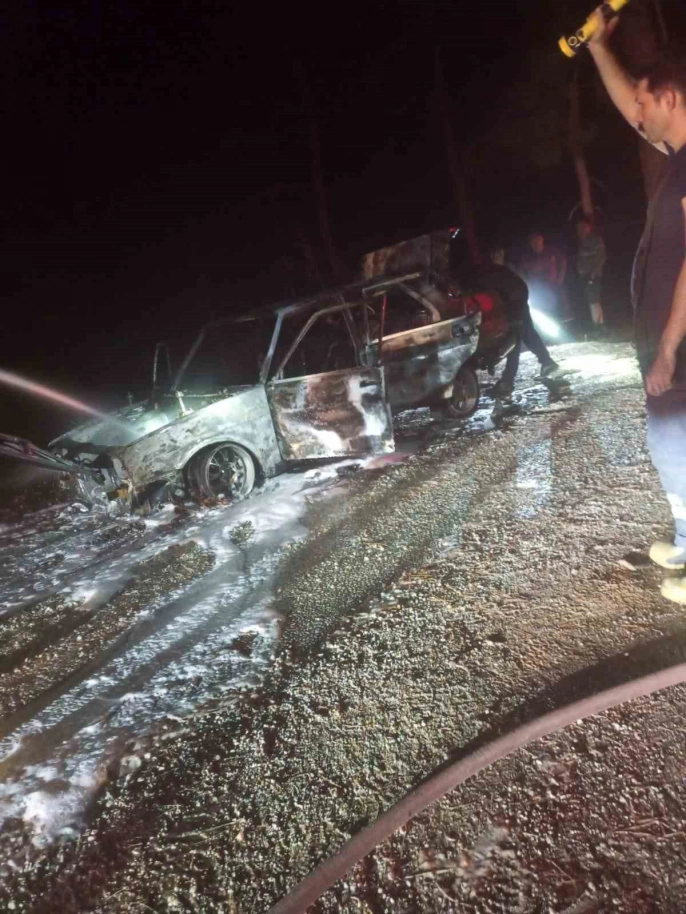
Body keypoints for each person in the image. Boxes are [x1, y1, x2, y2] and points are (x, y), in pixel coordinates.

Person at [589, 12, 686, 604]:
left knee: (673, 434)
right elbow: (630, 105)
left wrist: (669, 348)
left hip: (682, 337)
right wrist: (599, 46)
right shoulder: (678, 154)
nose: (637, 115)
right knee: (670, 435)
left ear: (670, 98)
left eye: (647, 104)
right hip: (670, 334)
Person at [478, 247, 560, 398]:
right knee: (527, 333)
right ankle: (546, 361)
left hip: (514, 307)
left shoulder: (497, 272)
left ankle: (507, 383)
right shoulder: (502, 271)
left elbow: (513, 289)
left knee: (514, 341)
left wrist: (513, 312)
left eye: (499, 254)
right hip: (518, 304)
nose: (498, 257)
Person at [519, 231, 568, 320]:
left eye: (538, 240)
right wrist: (528, 285)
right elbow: (522, 273)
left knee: (560, 314)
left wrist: (560, 277)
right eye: (534, 241)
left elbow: (563, 261)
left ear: (542, 240)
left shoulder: (552, 252)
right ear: (530, 244)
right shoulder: (527, 258)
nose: (536, 243)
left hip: (554, 288)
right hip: (537, 292)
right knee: (543, 316)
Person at [575, 214, 607, 333]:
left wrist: (593, 274)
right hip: (583, 275)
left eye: (584, 227)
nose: (581, 230)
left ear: (589, 227)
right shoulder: (579, 242)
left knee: (594, 301)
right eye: (579, 228)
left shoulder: (596, 240)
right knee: (590, 301)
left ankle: (599, 326)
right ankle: (595, 326)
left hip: (593, 275)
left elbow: (601, 257)